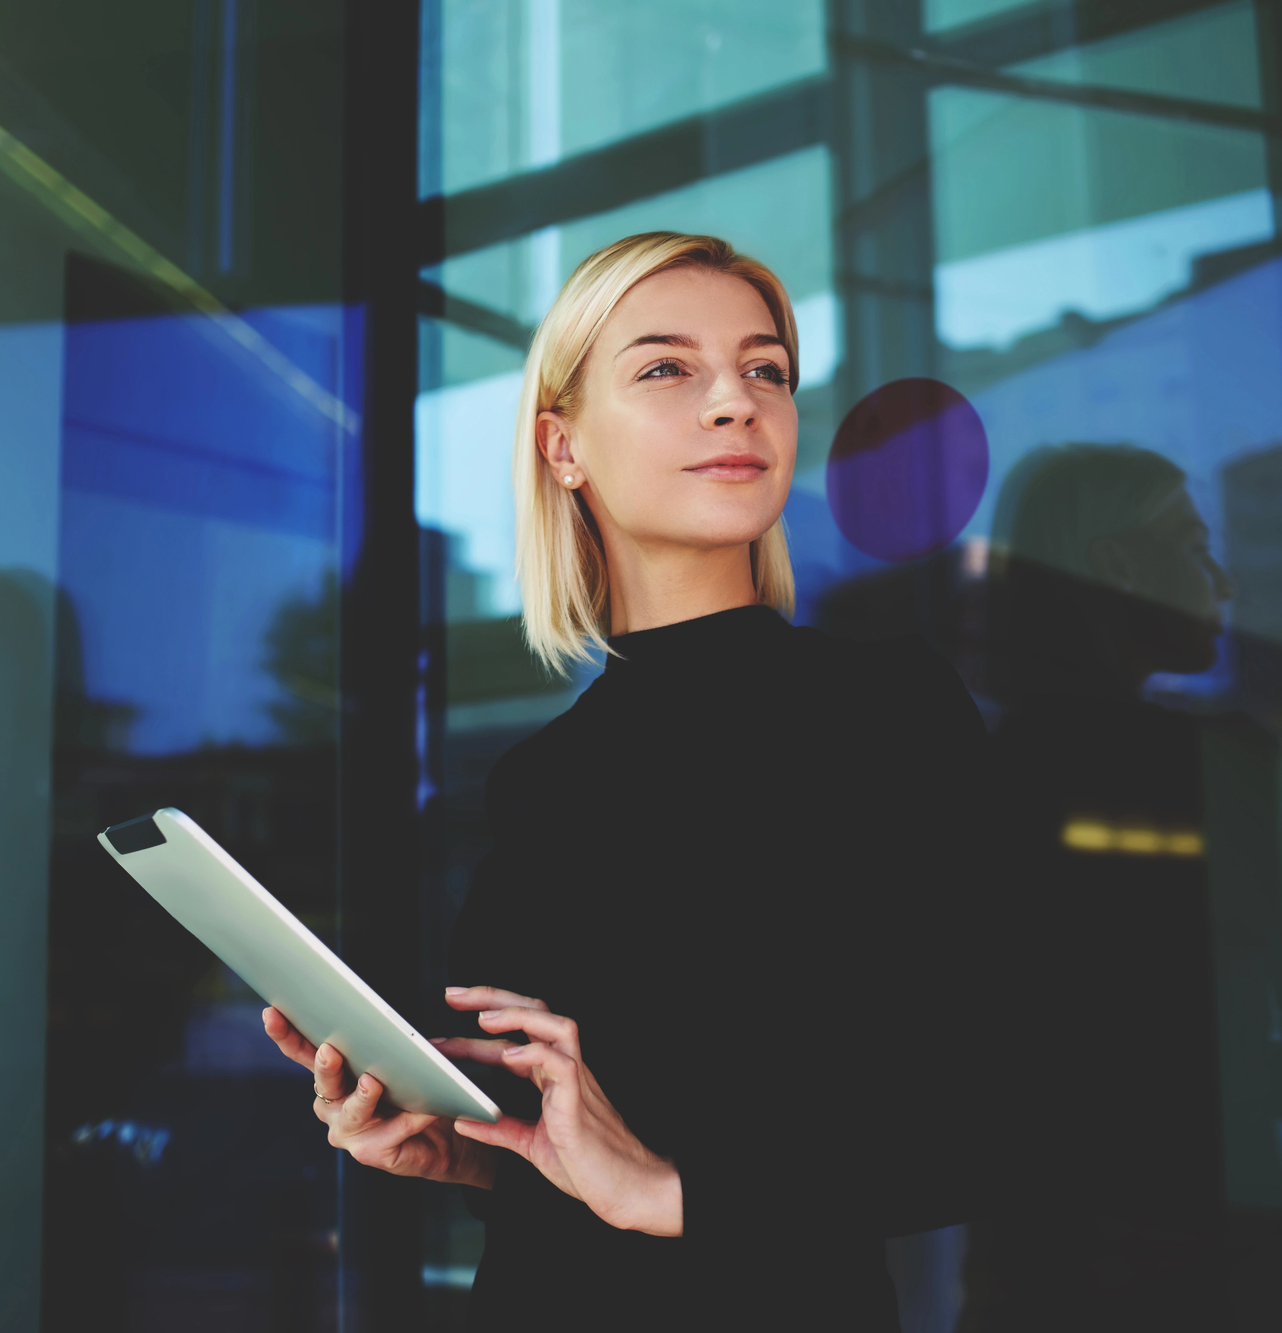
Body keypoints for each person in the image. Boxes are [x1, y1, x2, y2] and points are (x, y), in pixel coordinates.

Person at [262, 233, 993, 1329]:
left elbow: (997, 1105)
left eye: (765, 370)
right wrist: (464, 1154)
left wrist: (669, 1190)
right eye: (666, 368)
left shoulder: (884, 705)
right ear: (562, 447)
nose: (733, 403)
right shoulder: (541, 776)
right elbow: (582, 1159)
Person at [960, 444, 1282, 1332]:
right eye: (1196, 546)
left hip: (1030, 1283)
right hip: (1219, 1276)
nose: (1225, 581)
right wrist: (1214, 1075)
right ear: (1118, 565)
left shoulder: (976, 783)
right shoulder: (1232, 771)